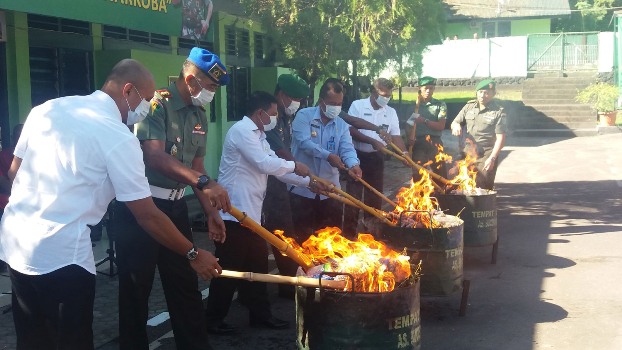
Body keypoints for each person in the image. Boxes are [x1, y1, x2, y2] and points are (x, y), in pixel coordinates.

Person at [0, 59, 222, 350]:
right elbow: (147, 216)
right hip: (63, 254)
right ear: (128, 90)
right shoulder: (117, 137)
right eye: (145, 99)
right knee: (72, 340)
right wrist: (192, 253)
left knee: (32, 340)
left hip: (17, 245)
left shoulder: (46, 110)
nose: (146, 107)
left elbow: (15, 171)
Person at [111, 47, 230, 350]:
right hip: (142, 208)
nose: (212, 93)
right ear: (191, 79)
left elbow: (197, 167)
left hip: (176, 207)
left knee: (185, 287)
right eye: (211, 85)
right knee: (137, 290)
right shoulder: (156, 105)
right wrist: (205, 183)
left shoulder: (198, 113)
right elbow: (154, 156)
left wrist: (211, 213)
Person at [205, 91, 317, 333]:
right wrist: (296, 165)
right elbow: (264, 163)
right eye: (273, 114)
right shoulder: (242, 131)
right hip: (233, 213)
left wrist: (308, 182)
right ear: (260, 113)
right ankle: (212, 320)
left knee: (257, 269)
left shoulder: (260, 135)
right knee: (228, 271)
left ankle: (260, 316)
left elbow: (276, 169)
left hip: (252, 216)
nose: (275, 118)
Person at [289, 78, 362, 242]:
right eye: (332, 103)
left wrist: (353, 164)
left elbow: (347, 148)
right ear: (322, 101)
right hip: (303, 189)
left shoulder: (341, 125)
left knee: (332, 241)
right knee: (303, 241)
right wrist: (327, 155)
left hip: (331, 192)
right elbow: (304, 143)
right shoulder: (303, 116)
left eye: (339, 103)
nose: (336, 107)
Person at [261, 73, 310, 299]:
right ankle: (287, 284)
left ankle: (285, 282)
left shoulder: (285, 117)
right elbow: (281, 151)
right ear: (281, 94)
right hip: (269, 183)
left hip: (283, 179)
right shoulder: (268, 118)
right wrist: (298, 169)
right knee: (280, 232)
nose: (297, 104)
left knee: (283, 232)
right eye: (294, 98)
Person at [342, 78, 408, 238]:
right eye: (383, 95)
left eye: (389, 96)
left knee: (374, 200)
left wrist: (404, 154)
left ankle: (371, 236)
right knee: (353, 199)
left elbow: (396, 136)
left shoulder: (390, 112)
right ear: (373, 92)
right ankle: (349, 236)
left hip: (377, 159)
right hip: (357, 157)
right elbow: (350, 130)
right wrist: (371, 140)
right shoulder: (358, 105)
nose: (386, 98)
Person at [451, 79, 507, 190]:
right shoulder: (469, 107)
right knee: (462, 185)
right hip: (467, 152)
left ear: (493, 94)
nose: (483, 95)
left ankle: (483, 208)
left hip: (486, 153)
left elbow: (501, 138)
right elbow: (455, 122)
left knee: (482, 187)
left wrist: (492, 158)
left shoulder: (499, 112)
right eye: (480, 92)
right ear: (476, 92)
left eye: (487, 92)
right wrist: (456, 125)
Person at [406, 76, 449, 182]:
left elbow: (441, 126)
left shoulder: (440, 105)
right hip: (418, 143)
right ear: (420, 88)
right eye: (426, 88)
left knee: (440, 173)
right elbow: (409, 125)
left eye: (431, 88)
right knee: (419, 173)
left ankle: (443, 195)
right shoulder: (414, 106)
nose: (428, 91)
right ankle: (419, 197)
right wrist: (409, 137)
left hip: (435, 142)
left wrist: (424, 121)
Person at [0, 123, 23, 272]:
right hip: (8, 199)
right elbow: (5, 184)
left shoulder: (37, 157)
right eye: (17, 136)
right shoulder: (4, 155)